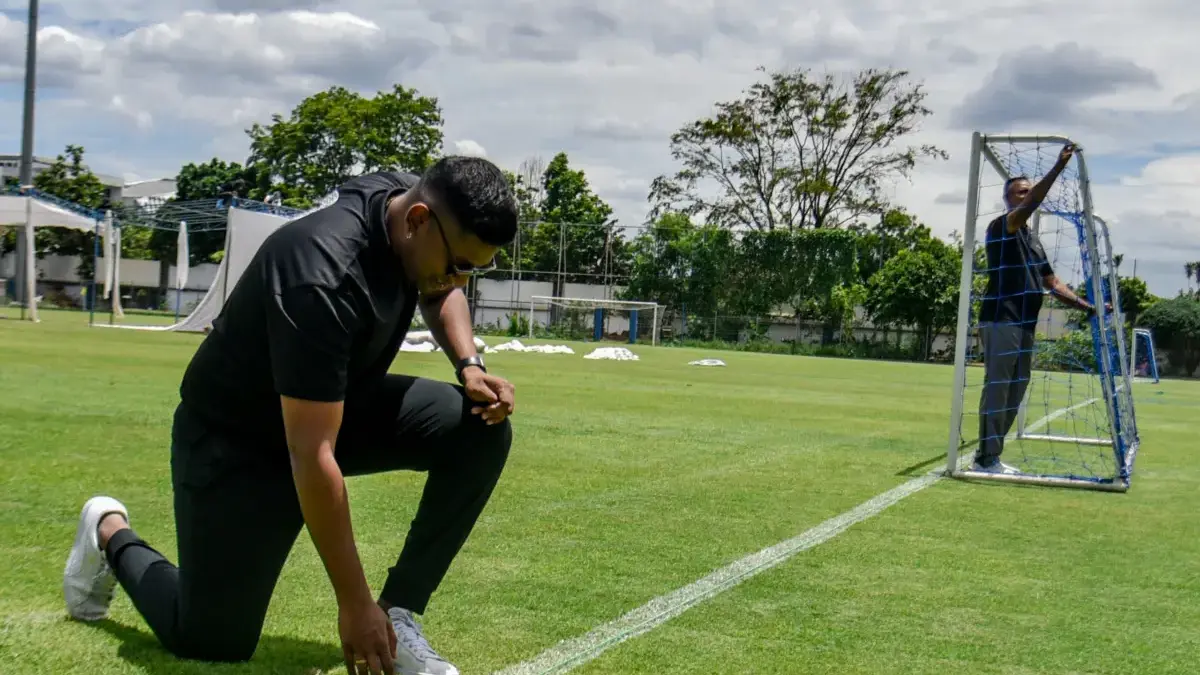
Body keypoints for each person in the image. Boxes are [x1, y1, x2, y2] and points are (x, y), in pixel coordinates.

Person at [62, 156, 520, 675]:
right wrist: (353, 603)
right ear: (416, 220)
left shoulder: (405, 203)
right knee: (212, 638)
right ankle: (108, 532)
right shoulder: (320, 277)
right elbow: (311, 452)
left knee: (477, 426)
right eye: (459, 262)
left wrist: (469, 365)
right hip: (238, 439)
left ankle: (399, 616)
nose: (460, 279)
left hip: (334, 405)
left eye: (474, 269)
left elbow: (442, 291)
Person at [974, 143, 1108, 474]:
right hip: (1001, 320)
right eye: (1020, 192)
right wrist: (1058, 168)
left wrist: (1088, 307)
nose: (1026, 195)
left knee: (1017, 389)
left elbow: (1053, 282)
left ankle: (992, 455)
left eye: (1027, 192)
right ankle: (986, 457)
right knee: (998, 387)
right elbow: (1034, 202)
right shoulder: (1001, 226)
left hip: (1025, 324)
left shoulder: (1034, 243)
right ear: (1009, 199)